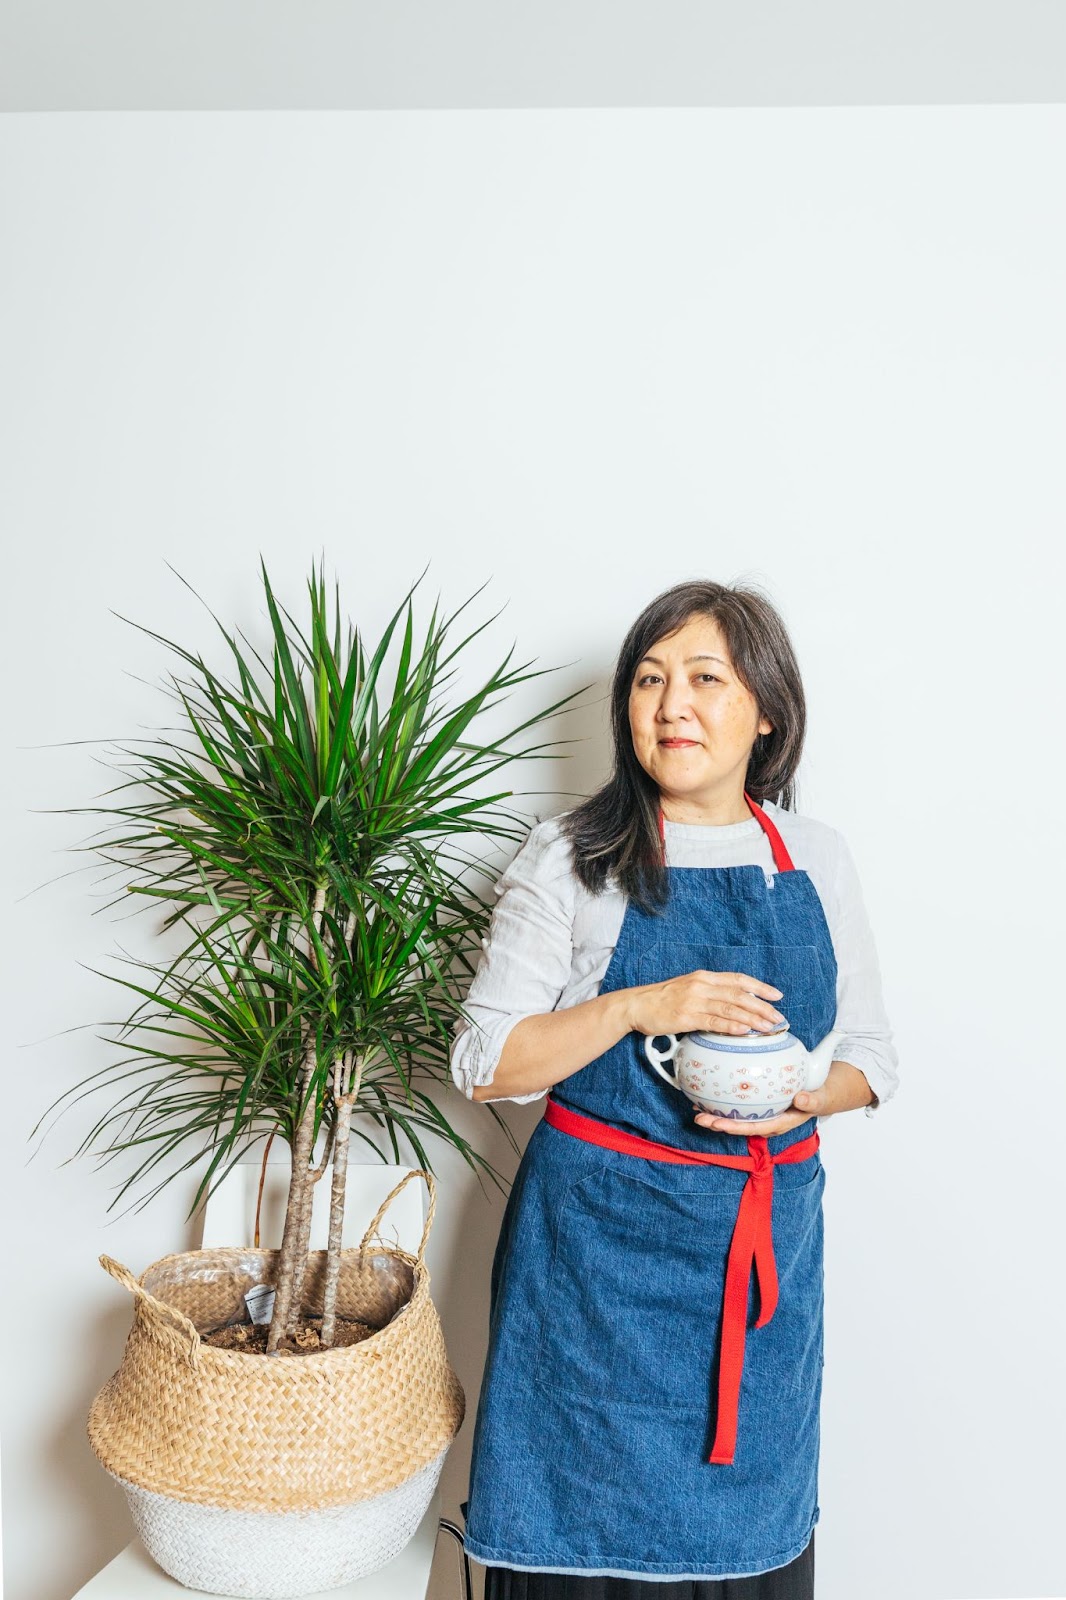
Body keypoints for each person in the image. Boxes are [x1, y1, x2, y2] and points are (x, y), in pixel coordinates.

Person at [450, 579, 899, 1600]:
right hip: (591, 1267)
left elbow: (874, 1055)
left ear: (766, 710)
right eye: (648, 680)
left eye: (705, 678)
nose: (670, 705)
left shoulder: (814, 857)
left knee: (741, 1532)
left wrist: (805, 1098)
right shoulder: (572, 857)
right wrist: (635, 1005)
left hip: (757, 1265)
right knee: (570, 1525)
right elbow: (483, 1061)